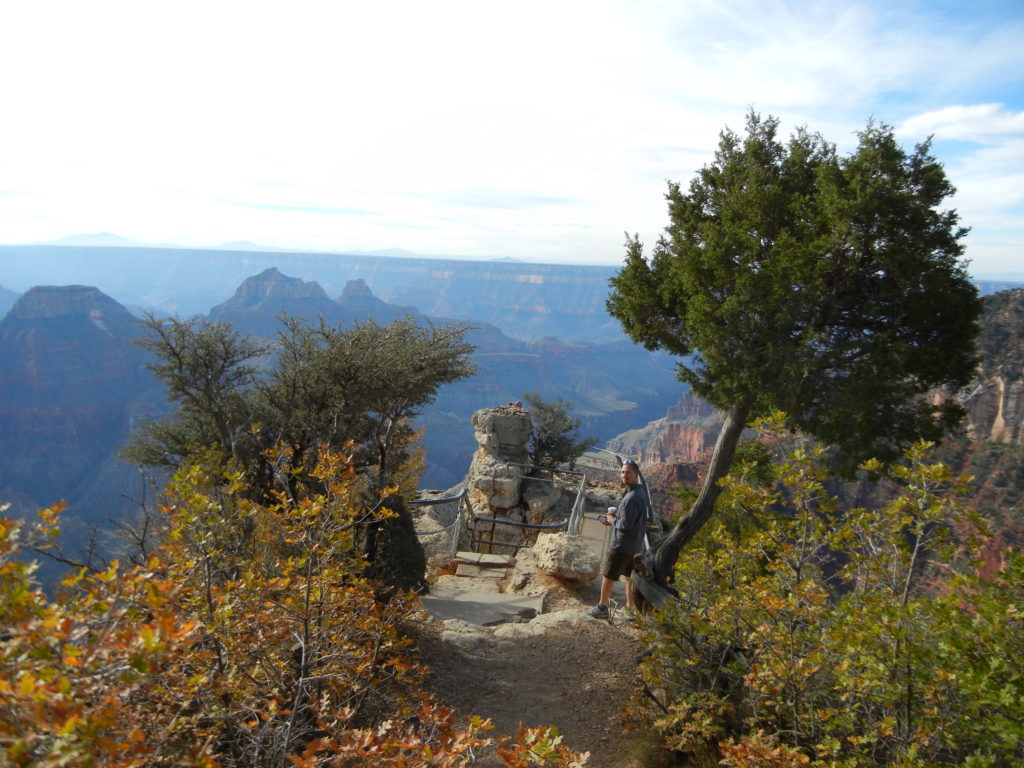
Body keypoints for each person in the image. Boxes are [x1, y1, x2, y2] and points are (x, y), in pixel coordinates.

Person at [588, 459, 648, 619]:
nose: (624, 475)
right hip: (635, 545)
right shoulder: (640, 493)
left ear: (636, 474)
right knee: (629, 578)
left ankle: (602, 607)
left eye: (628, 472)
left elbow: (626, 525)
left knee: (608, 575)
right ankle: (630, 609)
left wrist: (612, 520)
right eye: (622, 472)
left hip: (621, 545)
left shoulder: (632, 498)